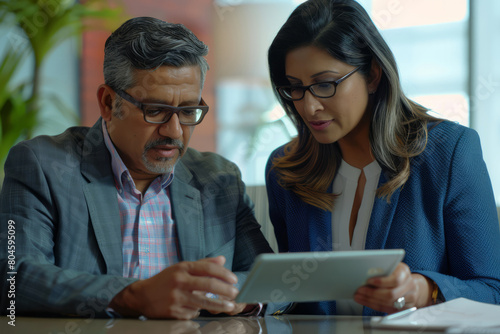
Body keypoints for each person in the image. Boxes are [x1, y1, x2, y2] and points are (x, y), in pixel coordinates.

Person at [0, 17, 275, 320]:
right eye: (155, 110)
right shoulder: (43, 166)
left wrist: (243, 300)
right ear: (108, 103)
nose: (174, 131)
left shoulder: (219, 179)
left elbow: (275, 284)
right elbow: (12, 279)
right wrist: (132, 296)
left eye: (187, 111)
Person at [265, 0, 500, 316]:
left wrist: (423, 290)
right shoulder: (285, 169)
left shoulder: (450, 152)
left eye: (324, 84)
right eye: (295, 88)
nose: (308, 107)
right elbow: (292, 299)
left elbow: (492, 291)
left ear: (373, 75)